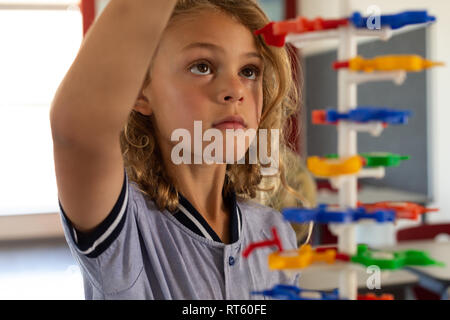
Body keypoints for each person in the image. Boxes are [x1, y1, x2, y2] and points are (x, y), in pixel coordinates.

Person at [50, 0, 311, 299]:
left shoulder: (276, 233)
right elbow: (77, 128)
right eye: (202, 67)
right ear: (140, 92)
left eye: (249, 71)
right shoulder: (126, 230)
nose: (236, 90)